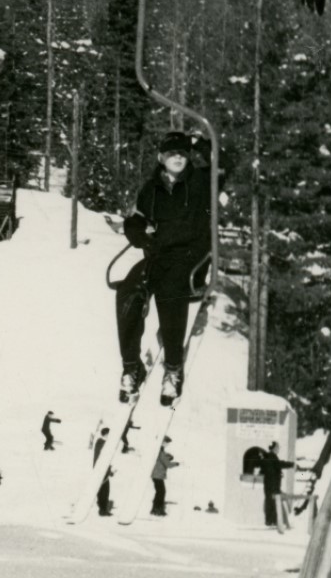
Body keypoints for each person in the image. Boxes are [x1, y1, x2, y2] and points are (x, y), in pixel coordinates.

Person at [121, 131, 213, 406]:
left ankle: (173, 368)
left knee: (171, 291)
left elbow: (224, 163)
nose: (177, 158)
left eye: (182, 153)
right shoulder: (152, 189)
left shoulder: (201, 183)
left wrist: (201, 144)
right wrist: (139, 234)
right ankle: (130, 365)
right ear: (161, 158)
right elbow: (135, 220)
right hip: (158, 256)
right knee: (128, 291)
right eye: (172, 153)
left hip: (190, 258)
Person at [260, 441, 296, 532]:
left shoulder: (267, 457)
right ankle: (274, 522)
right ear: (274, 448)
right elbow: (279, 464)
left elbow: (262, 470)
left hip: (268, 485)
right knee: (275, 503)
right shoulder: (272, 457)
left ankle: (271, 521)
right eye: (278, 447)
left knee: (270, 502)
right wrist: (291, 464)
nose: (278, 449)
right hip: (273, 485)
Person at [151, 437, 179, 516]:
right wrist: (177, 464)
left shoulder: (159, 451)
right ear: (163, 442)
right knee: (161, 492)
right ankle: (158, 510)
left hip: (157, 475)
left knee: (159, 492)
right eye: (167, 442)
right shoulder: (161, 452)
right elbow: (168, 465)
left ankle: (155, 509)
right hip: (158, 475)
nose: (167, 444)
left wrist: (168, 457)